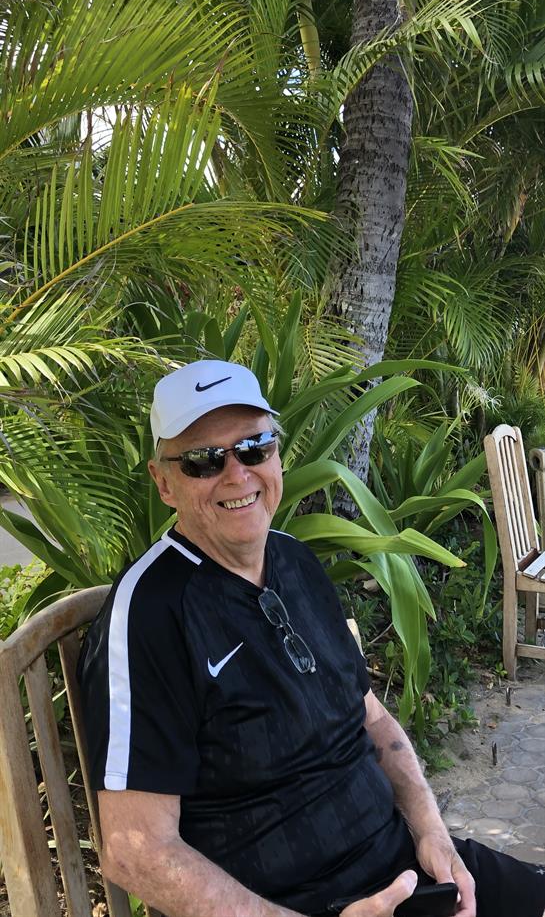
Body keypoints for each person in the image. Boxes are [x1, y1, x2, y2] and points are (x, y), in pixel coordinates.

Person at [78, 358, 545, 917]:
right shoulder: (151, 612)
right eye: (204, 460)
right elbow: (135, 851)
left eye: (255, 447)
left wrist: (431, 830)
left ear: (277, 454)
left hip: (401, 867)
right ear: (165, 482)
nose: (237, 474)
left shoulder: (294, 560)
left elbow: (372, 718)